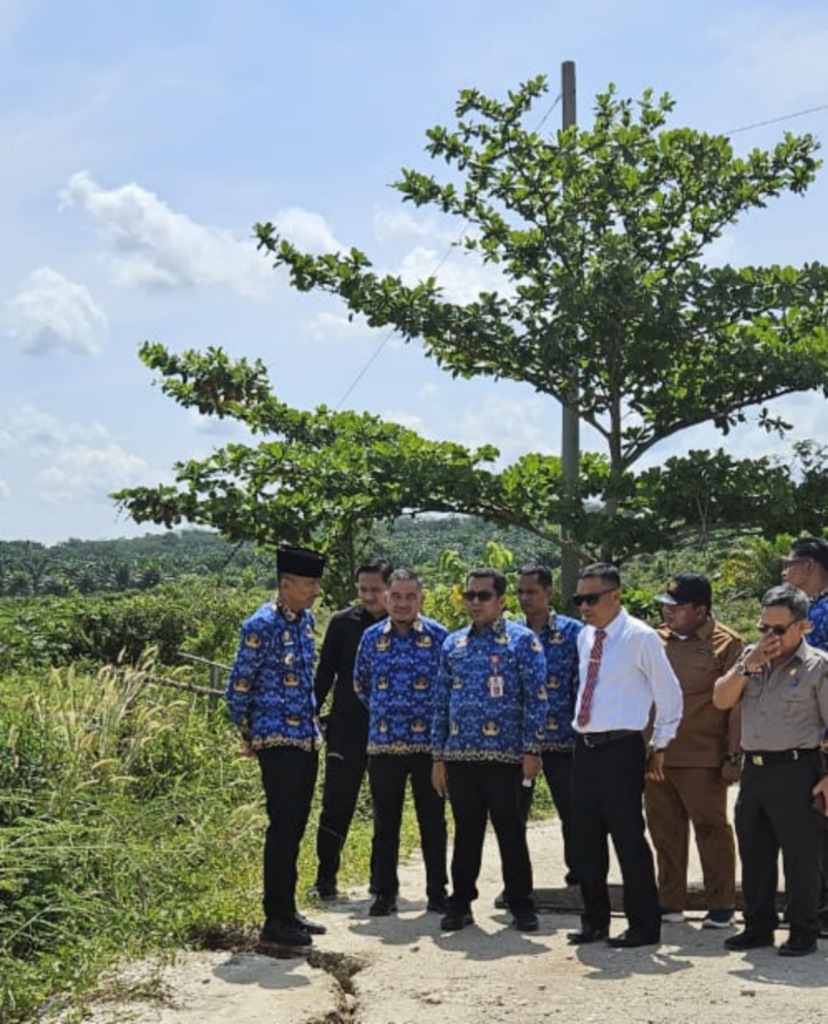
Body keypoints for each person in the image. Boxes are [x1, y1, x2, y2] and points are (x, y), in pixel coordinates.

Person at [567, 563, 683, 949]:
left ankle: (643, 925)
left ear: (615, 596)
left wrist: (660, 745)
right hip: (585, 746)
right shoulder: (586, 637)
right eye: (580, 598)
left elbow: (670, 696)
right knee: (585, 839)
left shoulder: (640, 638)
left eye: (592, 598)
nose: (584, 605)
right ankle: (594, 920)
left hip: (621, 747)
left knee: (628, 838)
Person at [713, 583, 828, 957]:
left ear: (803, 627)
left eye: (779, 629)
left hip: (798, 768)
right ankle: (758, 927)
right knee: (755, 850)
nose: (769, 636)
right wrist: (748, 666)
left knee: (800, 857)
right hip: (756, 770)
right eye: (764, 627)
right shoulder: (751, 660)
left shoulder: (818, 667)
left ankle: (802, 930)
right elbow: (721, 699)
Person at [431, 568, 548, 933]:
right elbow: (440, 701)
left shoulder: (522, 641)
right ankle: (461, 903)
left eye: (483, 596)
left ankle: (522, 905)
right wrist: (438, 756)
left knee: (511, 832)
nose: (476, 602)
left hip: (506, 756)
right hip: (461, 757)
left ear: (501, 601)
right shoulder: (453, 644)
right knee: (466, 833)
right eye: (470, 596)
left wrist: (532, 749)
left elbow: (537, 699)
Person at [225, 544, 328, 948]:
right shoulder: (261, 624)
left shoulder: (305, 622)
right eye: (308, 584)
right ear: (286, 584)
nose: (315, 590)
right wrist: (250, 733)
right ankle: (274, 918)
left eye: (316, 583)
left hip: (305, 737)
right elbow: (238, 687)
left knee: (297, 825)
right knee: (282, 827)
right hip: (276, 739)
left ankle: (288, 910)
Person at [645, 572, 743, 930]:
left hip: (702, 756)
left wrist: (734, 754)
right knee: (664, 830)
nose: (668, 612)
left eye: (677, 607)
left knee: (711, 829)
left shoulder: (727, 643)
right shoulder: (654, 639)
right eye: (665, 606)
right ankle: (670, 902)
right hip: (658, 755)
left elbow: (737, 705)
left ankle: (721, 904)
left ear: (701, 609)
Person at [354, 568, 449, 915]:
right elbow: (360, 684)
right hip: (383, 746)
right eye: (396, 596)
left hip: (429, 748)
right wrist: (387, 714)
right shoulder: (370, 639)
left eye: (411, 597)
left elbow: (451, 687)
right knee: (385, 824)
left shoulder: (440, 637)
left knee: (433, 822)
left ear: (421, 600)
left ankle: (438, 892)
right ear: (386, 599)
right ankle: (384, 892)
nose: (403, 603)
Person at [310, 560, 391, 899]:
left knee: (386, 806)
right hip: (346, 726)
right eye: (363, 590)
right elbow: (324, 674)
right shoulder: (343, 624)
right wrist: (310, 716)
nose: (369, 596)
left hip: (389, 731)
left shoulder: (401, 625)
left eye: (375, 589)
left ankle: (381, 880)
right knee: (337, 804)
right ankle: (325, 878)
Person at [514, 565, 583, 886]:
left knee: (574, 814)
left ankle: (581, 876)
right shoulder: (510, 634)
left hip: (564, 741)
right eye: (520, 592)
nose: (525, 598)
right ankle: (517, 883)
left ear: (548, 592)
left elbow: (582, 685)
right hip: (518, 743)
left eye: (532, 591)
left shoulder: (573, 633)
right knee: (513, 817)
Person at [781, 536, 828, 938]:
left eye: (790, 564)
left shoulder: (822, 613)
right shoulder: (813, 609)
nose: (785, 572)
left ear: (810, 567)